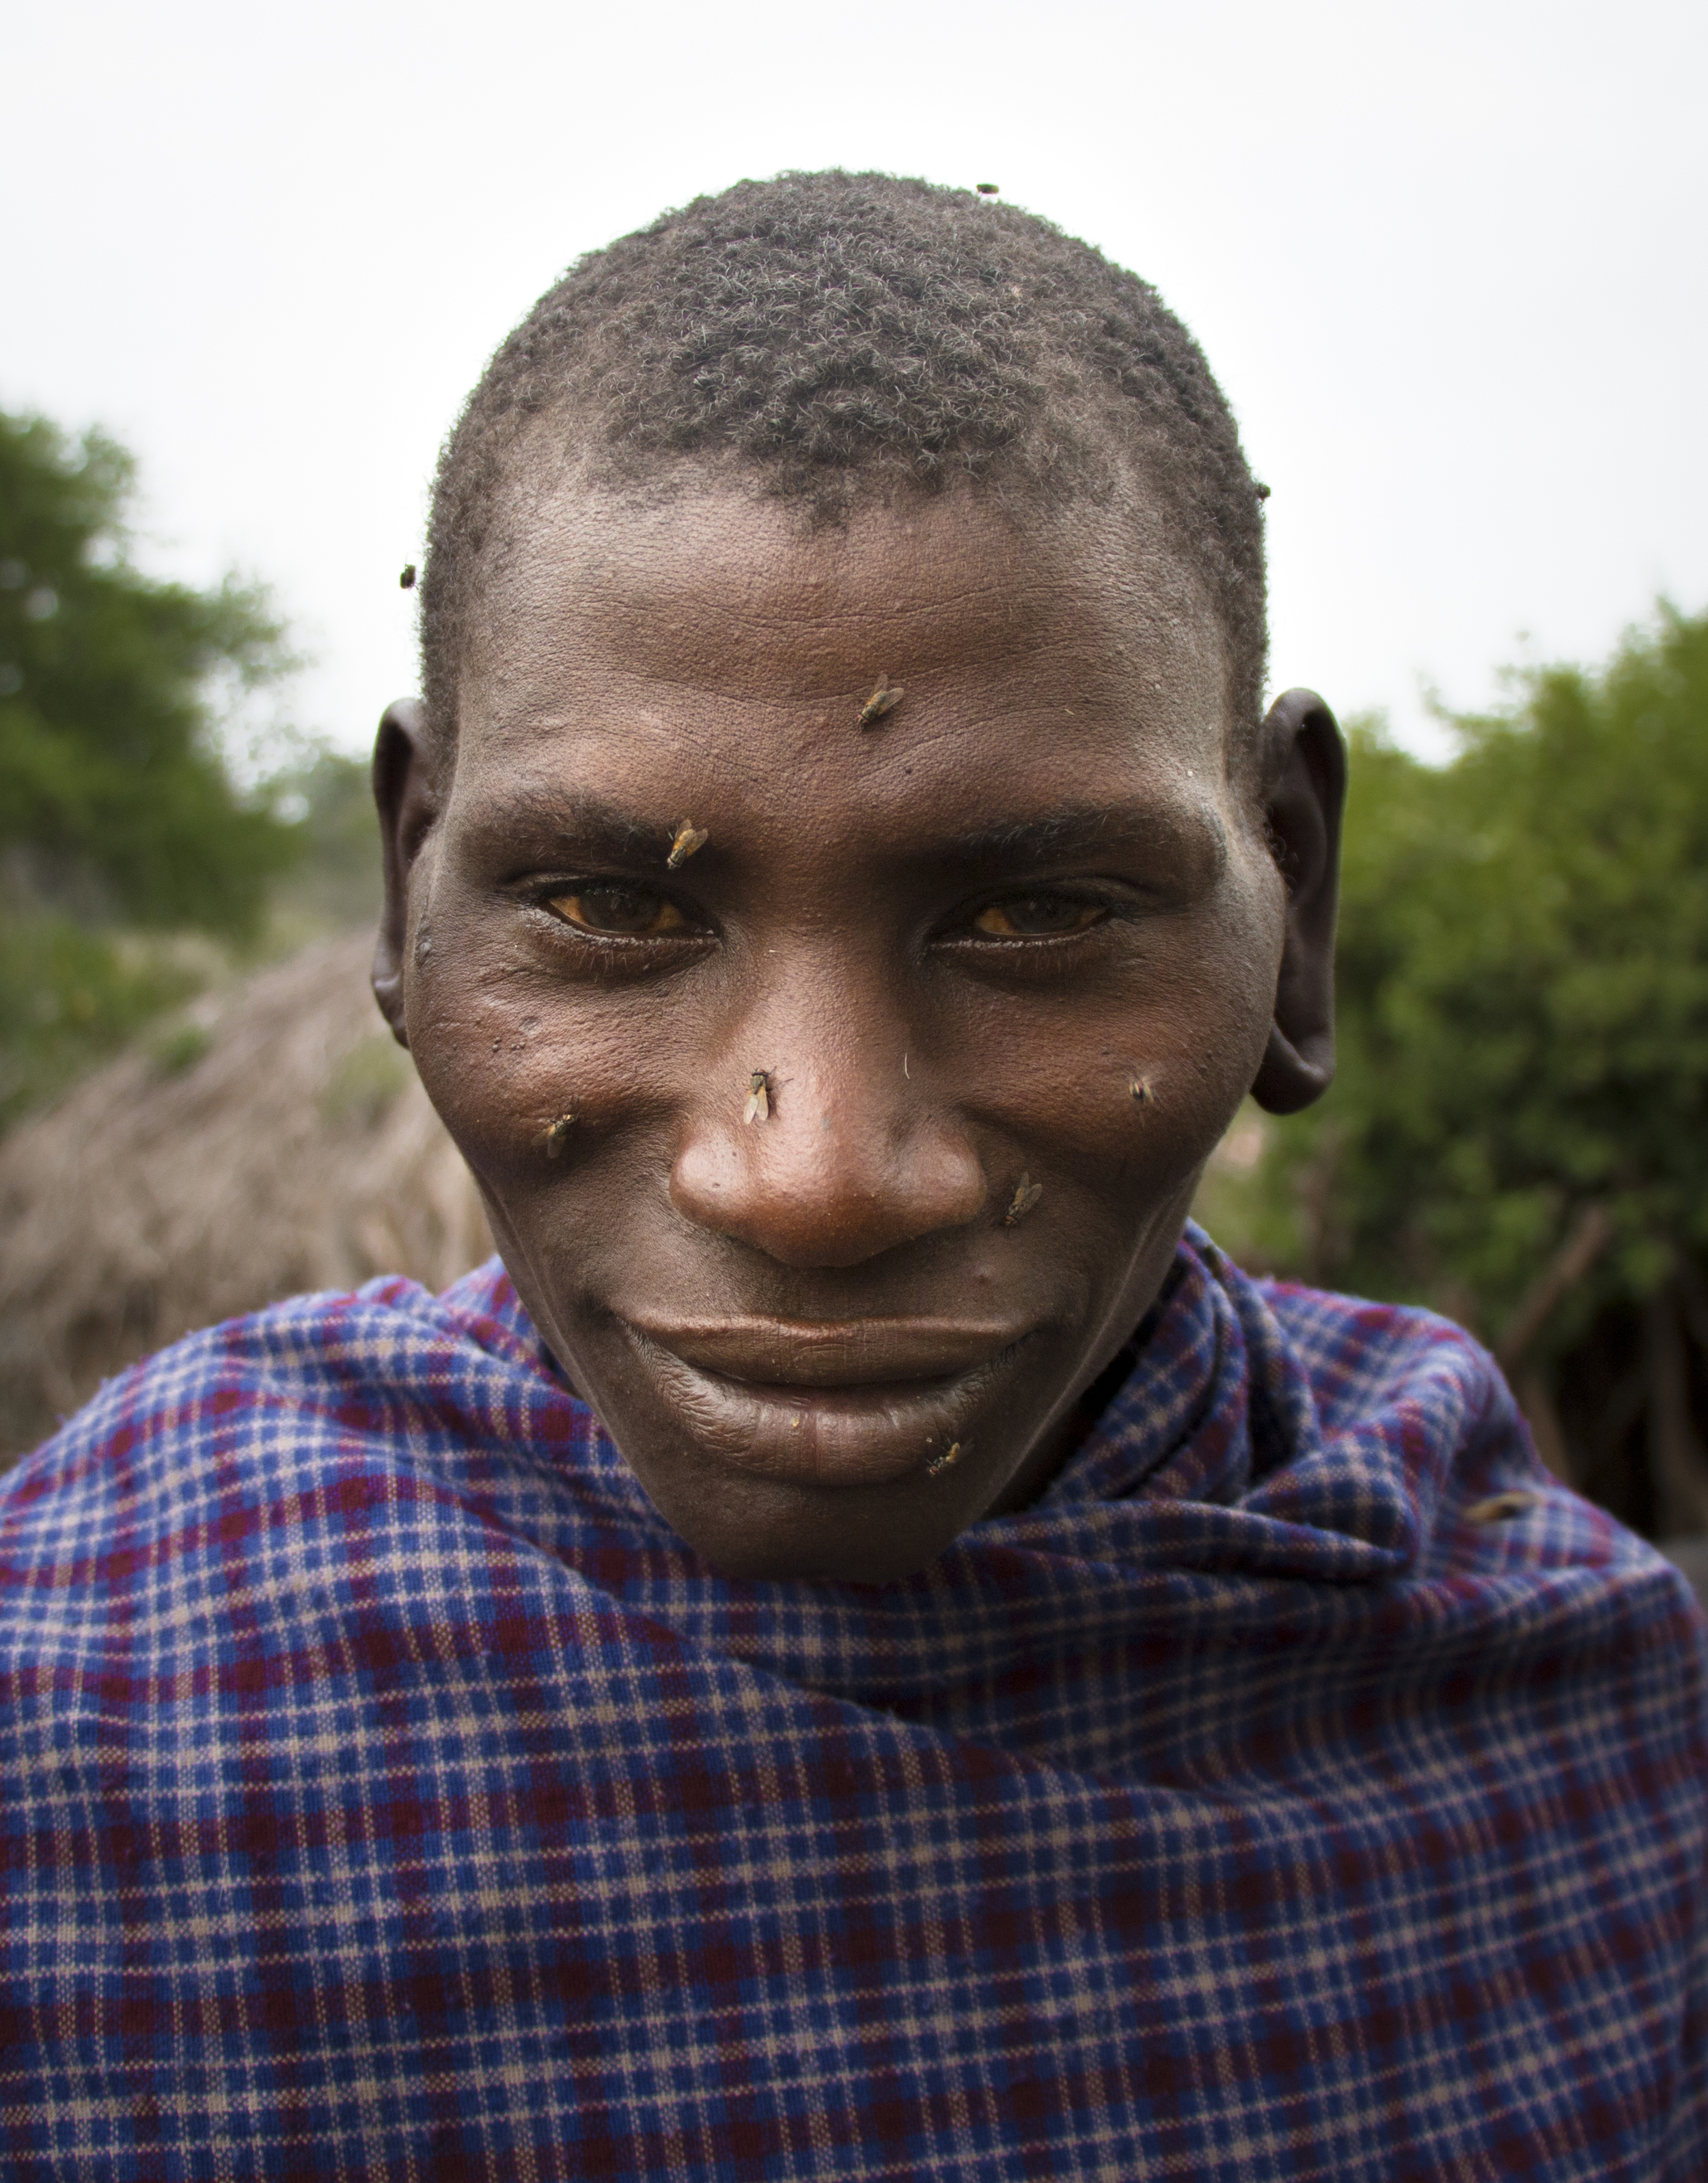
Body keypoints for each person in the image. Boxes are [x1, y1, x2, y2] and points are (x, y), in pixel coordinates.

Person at [1, 172, 1703, 2182]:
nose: (811, 1180)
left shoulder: (1599, 1744)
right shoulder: (78, 1744)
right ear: (407, 896)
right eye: (604, 904)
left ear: (1289, 906)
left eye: (1036, 913)